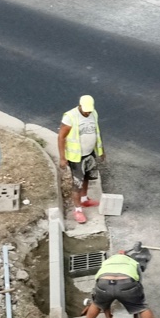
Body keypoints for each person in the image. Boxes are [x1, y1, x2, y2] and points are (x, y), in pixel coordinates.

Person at [82, 245, 160, 318]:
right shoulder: (133, 262)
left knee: (97, 304)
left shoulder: (107, 262)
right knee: (141, 307)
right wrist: (132, 301)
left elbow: (99, 284)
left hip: (103, 283)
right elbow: (138, 282)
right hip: (127, 283)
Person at [60, 95, 103, 223]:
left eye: (89, 110)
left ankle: (84, 200)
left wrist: (101, 151)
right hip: (76, 157)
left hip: (89, 154)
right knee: (77, 183)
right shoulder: (70, 117)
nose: (88, 112)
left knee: (86, 177)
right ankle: (77, 210)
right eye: (86, 110)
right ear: (80, 105)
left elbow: (97, 132)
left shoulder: (93, 113)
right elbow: (61, 137)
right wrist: (62, 158)